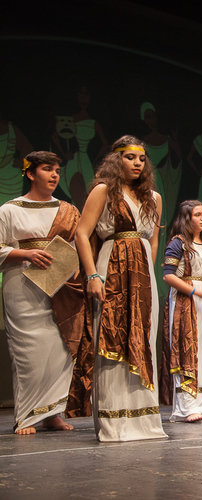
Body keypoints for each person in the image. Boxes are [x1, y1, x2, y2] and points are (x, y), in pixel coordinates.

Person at [75, 135, 167, 442]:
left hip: (142, 275)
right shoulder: (104, 191)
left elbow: (152, 240)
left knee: (145, 339)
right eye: (130, 157)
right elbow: (82, 233)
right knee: (111, 336)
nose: (138, 163)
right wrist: (91, 275)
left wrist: (146, 273)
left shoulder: (153, 197)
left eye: (141, 158)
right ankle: (115, 422)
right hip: (110, 267)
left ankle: (143, 422)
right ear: (117, 160)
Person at [0, 151, 84, 434]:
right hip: (22, 286)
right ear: (30, 173)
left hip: (61, 288)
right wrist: (25, 253)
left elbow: (78, 244)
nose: (54, 175)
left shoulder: (68, 209)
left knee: (60, 349)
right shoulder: (10, 209)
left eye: (57, 170)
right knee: (28, 352)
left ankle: (52, 414)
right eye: (47, 169)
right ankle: (26, 416)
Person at [161, 200, 202, 422]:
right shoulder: (178, 243)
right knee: (188, 351)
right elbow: (168, 276)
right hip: (185, 302)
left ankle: (200, 405)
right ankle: (187, 407)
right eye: (198, 215)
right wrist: (195, 290)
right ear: (187, 218)